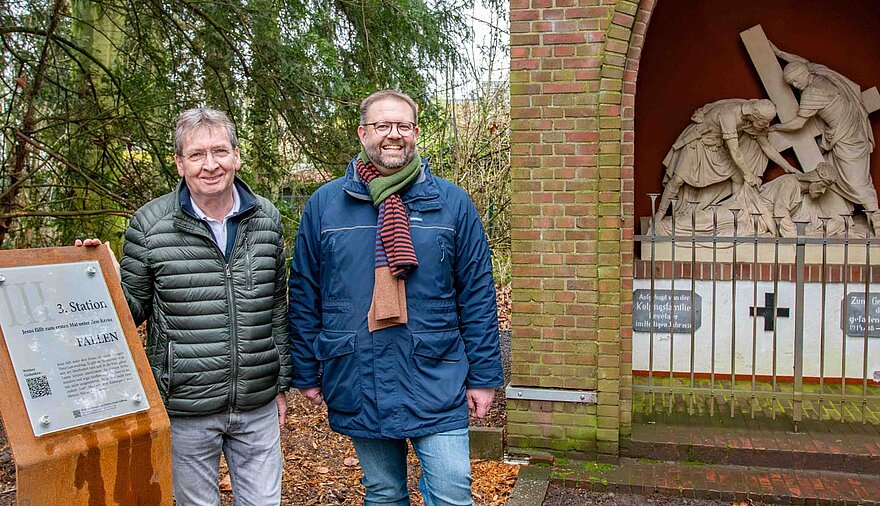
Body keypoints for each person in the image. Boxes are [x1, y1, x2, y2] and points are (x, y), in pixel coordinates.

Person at [288, 90, 503, 505]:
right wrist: (305, 370)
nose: (394, 135)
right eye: (383, 126)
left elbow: (477, 295)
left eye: (403, 126)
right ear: (363, 132)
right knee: (384, 492)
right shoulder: (326, 206)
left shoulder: (451, 203)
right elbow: (304, 294)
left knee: (453, 490)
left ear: (416, 132)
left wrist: (484, 377)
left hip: (436, 373)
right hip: (357, 374)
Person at [81, 107, 292, 505]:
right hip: (185, 405)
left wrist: (281, 384)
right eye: (196, 155)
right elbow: (132, 312)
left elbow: (276, 308)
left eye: (220, 152)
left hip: (257, 402)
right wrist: (95, 276)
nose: (210, 165)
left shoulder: (266, 218)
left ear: (236, 156)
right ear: (180, 163)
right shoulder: (150, 224)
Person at [768, 41, 879, 233]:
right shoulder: (821, 73)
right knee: (828, 170)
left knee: (856, 182)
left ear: (803, 75)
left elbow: (798, 124)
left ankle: (877, 219)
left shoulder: (812, 93)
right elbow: (802, 61)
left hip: (849, 141)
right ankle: (840, 216)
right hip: (848, 134)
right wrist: (779, 53)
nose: (795, 86)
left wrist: (777, 127)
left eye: (795, 82)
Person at [653, 98, 799, 230]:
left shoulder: (750, 119)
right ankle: (659, 215)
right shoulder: (729, 115)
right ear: (755, 115)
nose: (767, 125)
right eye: (764, 121)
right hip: (697, 143)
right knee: (678, 180)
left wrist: (788, 167)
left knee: (737, 177)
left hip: (716, 147)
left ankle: (739, 215)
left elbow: (766, 146)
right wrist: (749, 175)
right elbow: (734, 151)